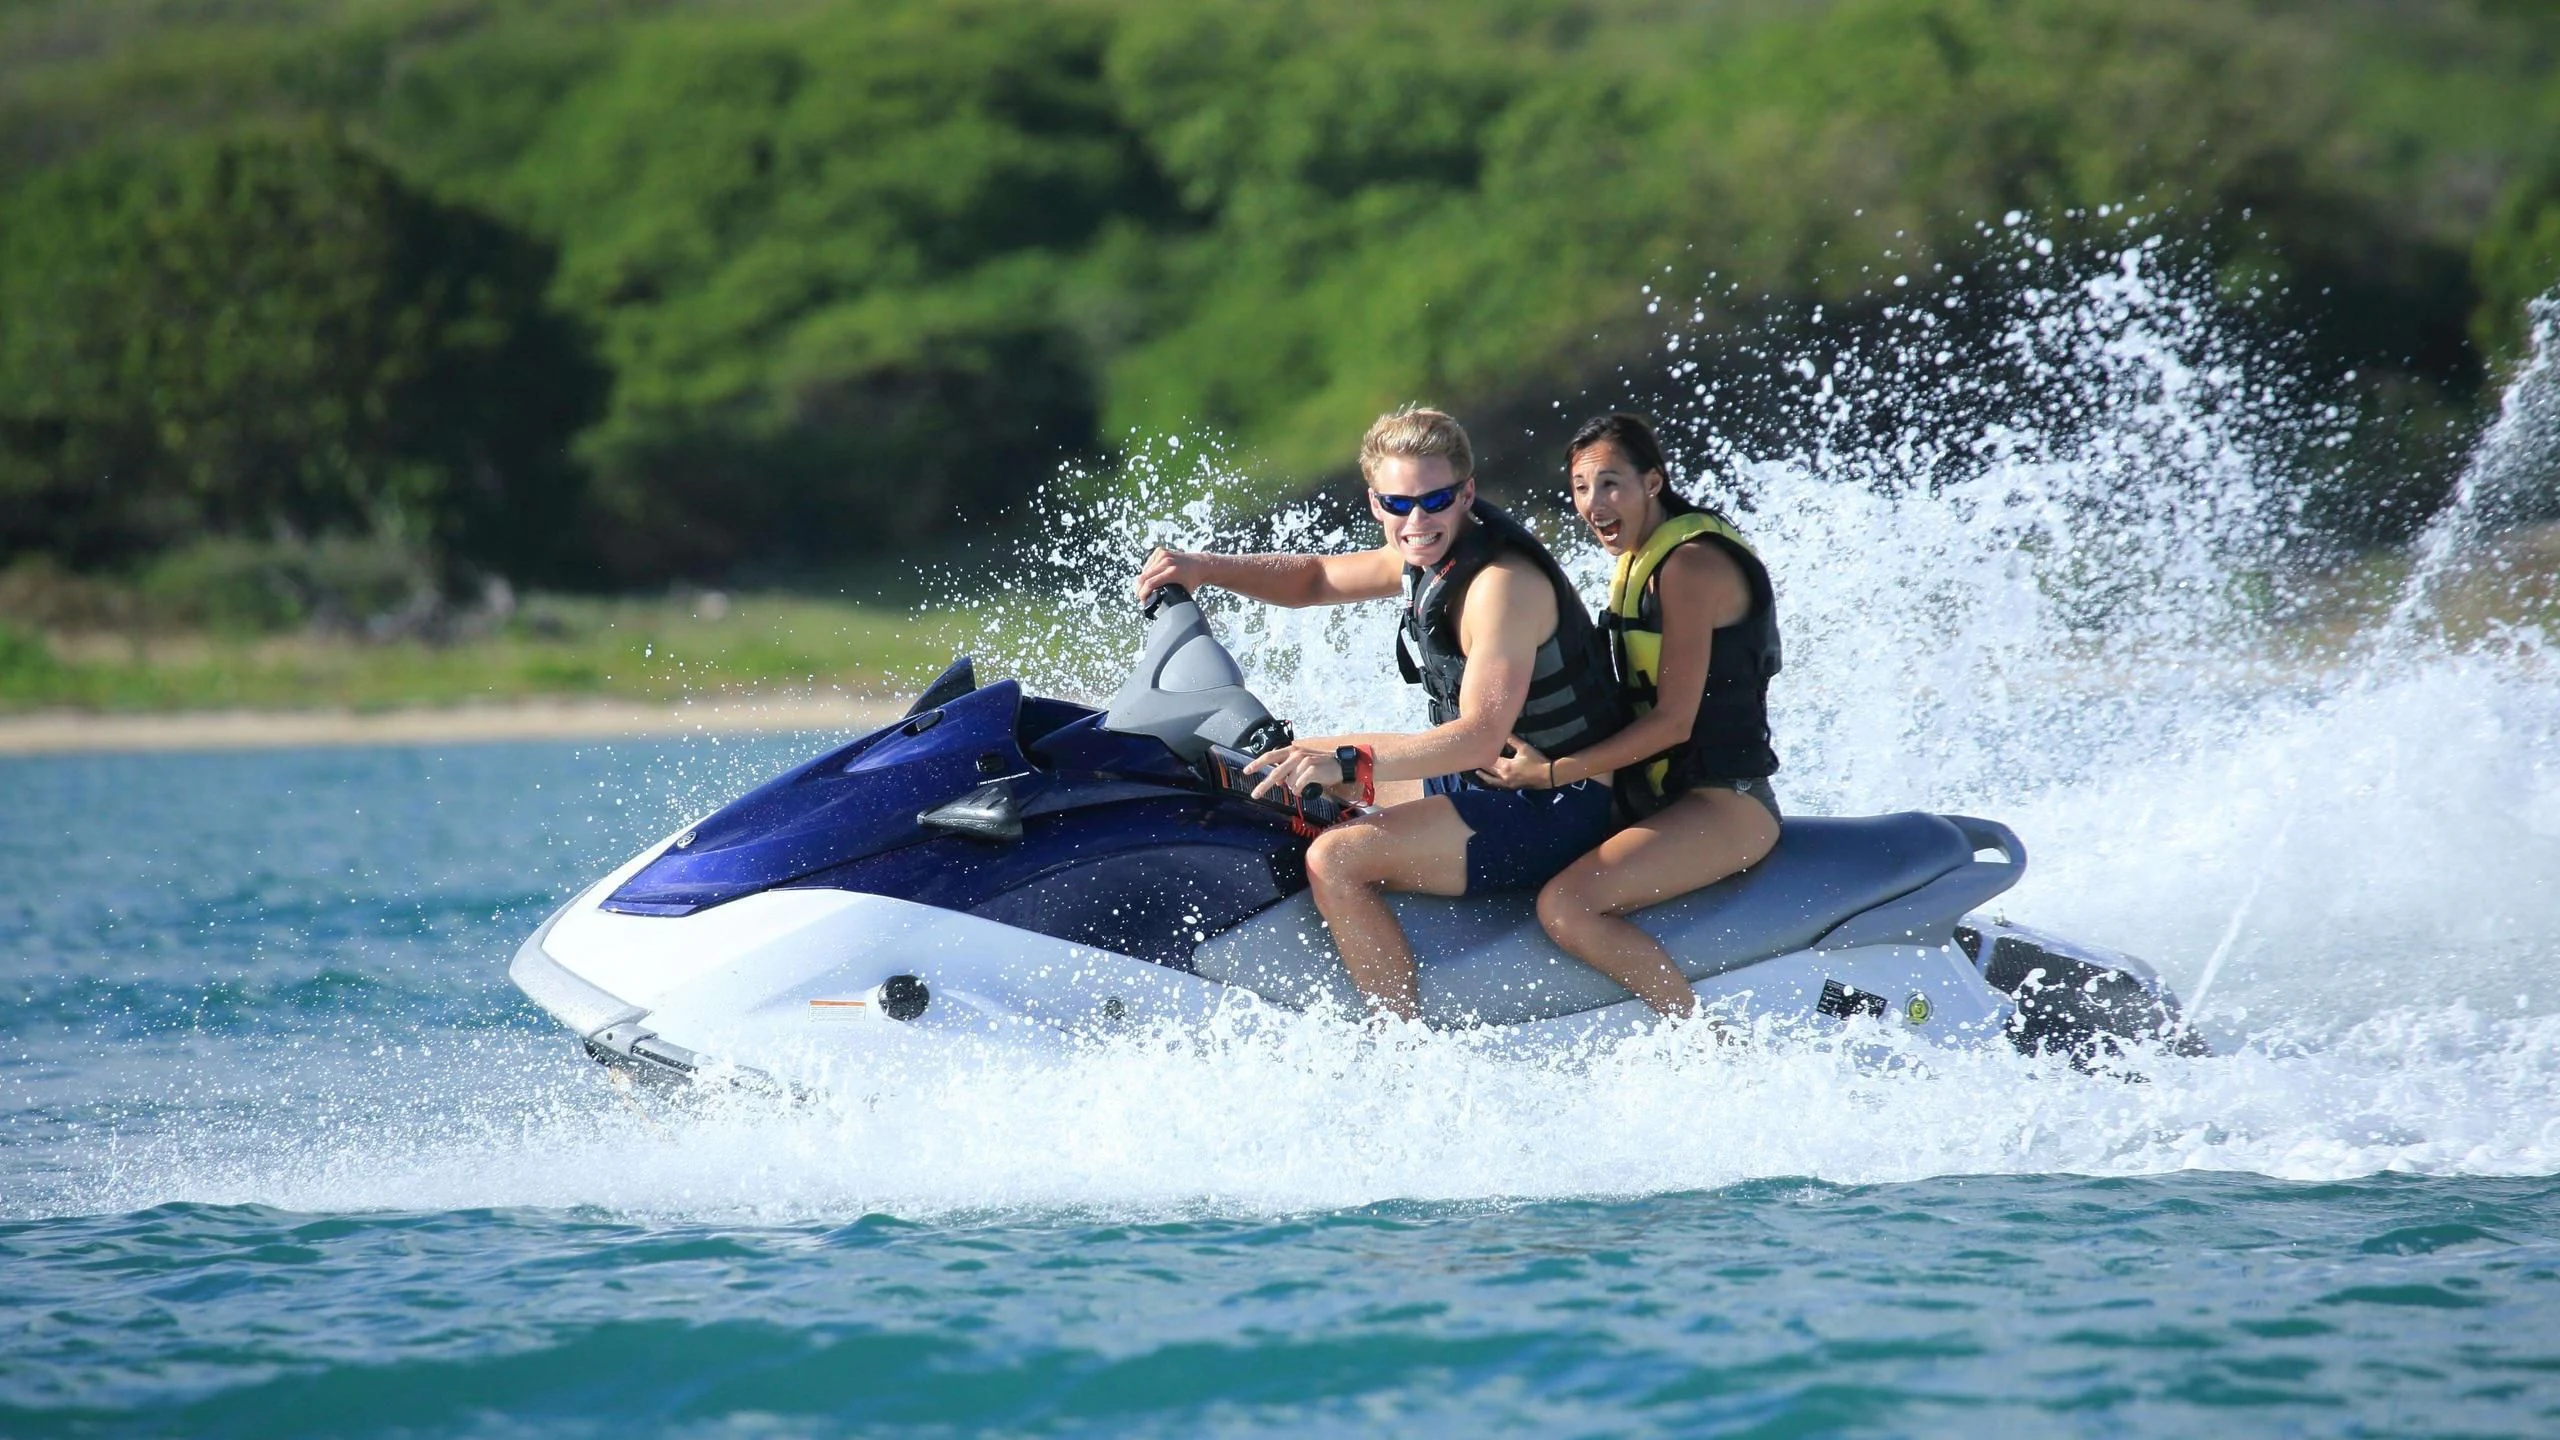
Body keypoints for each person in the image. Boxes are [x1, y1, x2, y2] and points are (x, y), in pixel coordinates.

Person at [1132, 406, 1626, 1021]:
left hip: (1554, 805)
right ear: (1375, 503)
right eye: (1398, 504)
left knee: (1334, 860)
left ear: (1466, 493)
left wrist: (1346, 764)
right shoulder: (1427, 552)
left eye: (1435, 499)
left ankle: (1403, 1046)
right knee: (1268, 770)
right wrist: (1205, 568)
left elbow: (1479, 736)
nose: (1416, 520)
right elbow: (1314, 579)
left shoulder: (1502, 585)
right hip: (1483, 779)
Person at [1478, 413, 1783, 1018]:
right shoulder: (1641, 561)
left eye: (1610, 483)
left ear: (1653, 482)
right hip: (1662, 795)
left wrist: (1555, 772)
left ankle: (1702, 1042)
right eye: (1580, 489)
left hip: (1727, 801)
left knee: (1567, 905)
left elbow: (1673, 724)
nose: (1594, 502)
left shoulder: (1690, 567)